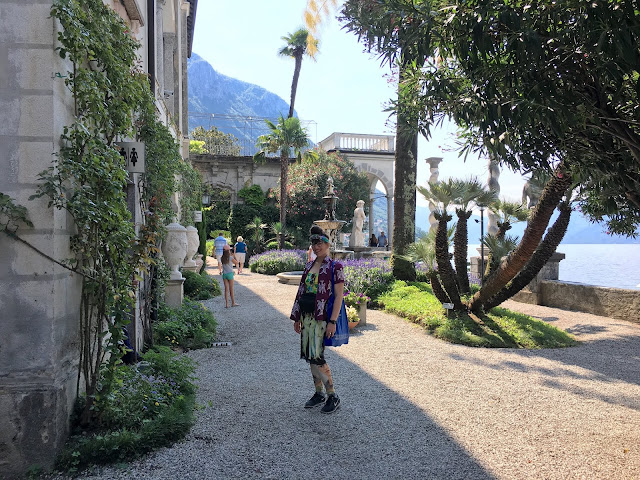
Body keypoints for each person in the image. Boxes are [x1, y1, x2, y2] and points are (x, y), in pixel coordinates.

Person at [290, 225, 344, 414]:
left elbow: (338, 296)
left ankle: (332, 395)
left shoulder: (335, 266)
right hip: (307, 318)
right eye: (314, 243)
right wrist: (296, 316)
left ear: (327, 244)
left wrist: (333, 321)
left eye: (320, 243)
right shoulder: (309, 265)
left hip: (322, 318)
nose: (317, 246)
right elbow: (301, 292)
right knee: (309, 356)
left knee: (318, 356)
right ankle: (318, 393)